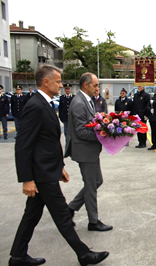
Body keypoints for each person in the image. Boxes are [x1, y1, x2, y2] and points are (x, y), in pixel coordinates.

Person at [9, 65, 109, 266]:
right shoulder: (35, 106)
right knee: (63, 216)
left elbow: (47, 143)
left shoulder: (45, 104)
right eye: (57, 81)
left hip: (47, 169)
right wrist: (27, 179)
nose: (61, 84)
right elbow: (23, 146)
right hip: (41, 174)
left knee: (32, 215)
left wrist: (59, 166)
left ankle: (18, 256)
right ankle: (84, 254)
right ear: (46, 82)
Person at [65, 72, 113, 232]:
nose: (97, 88)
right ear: (86, 85)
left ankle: (70, 208)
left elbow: (90, 124)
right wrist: (102, 135)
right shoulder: (79, 103)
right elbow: (80, 131)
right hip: (84, 151)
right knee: (91, 185)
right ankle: (93, 221)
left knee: (96, 182)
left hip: (90, 151)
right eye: (95, 85)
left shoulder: (87, 101)